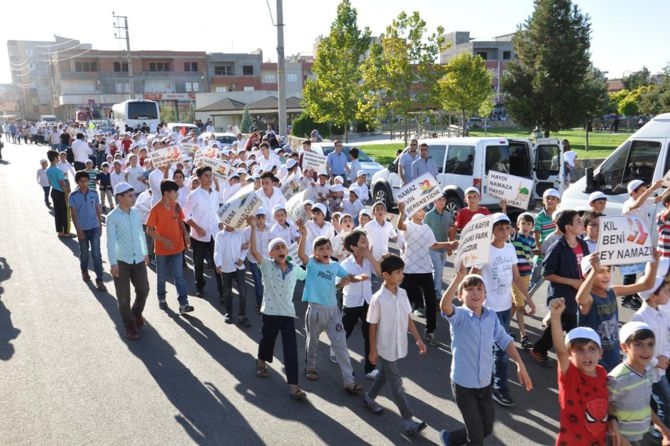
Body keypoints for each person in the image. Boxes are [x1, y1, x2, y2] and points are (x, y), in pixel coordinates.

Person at [438, 267, 533, 446]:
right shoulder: (460, 316)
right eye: (469, 289)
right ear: (460, 296)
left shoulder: (490, 316)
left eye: (479, 289)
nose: (475, 293)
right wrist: (457, 279)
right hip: (463, 385)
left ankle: (451, 438)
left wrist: (520, 364)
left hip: (484, 383)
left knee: (486, 428)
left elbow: (504, 339)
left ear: (485, 294)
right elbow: (444, 306)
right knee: (476, 438)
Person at [471, 213, 535, 407]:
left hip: (506, 307)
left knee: (499, 349)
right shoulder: (484, 251)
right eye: (500, 228)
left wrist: (529, 299)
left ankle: (495, 385)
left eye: (507, 228)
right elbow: (473, 278)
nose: (505, 231)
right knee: (493, 349)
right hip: (488, 309)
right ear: (492, 230)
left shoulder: (509, 249)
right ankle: (497, 386)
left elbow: (516, 277)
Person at [364, 253, 428, 436]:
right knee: (397, 383)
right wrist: (373, 350)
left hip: (397, 344)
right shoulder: (378, 299)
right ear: (385, 275)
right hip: (384, 346)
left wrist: (418, 338)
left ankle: (369, 398)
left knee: (385, 374)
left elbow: (408, 318)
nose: (402, 275)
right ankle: (408, 420)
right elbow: (372, 326)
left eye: (402, 271)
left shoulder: (403, 293)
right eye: (398, 272)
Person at [297, 221, 364, 394]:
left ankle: (349, 381)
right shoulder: (312, 264)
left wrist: (357, 278)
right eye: (321, 249)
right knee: (313, 341)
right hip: (316, 311)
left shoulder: (335, 266)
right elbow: (301, 256)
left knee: (340, 344)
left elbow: (345, 279)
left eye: (327, 248)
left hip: (333, 311)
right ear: (315, 253)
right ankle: (310, 367)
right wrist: (303, 235)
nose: (325, 251)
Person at [249, 224, 308, 400]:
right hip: (270, 313)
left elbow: (308, 273)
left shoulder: (294, 269)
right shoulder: (266, 265)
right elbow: (254, 251)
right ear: (271, 254)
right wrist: (253, 228)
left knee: (291, 350)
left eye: (283, 246)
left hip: (288, 314)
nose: (281, 249)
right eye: (276, 247)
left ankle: (294, 386)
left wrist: (303, 235)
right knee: (268, 341)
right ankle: (261, 361)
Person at [577, 253, 659, 371]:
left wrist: (654, 264)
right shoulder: (589, 298)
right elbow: (580, 299)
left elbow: (646, 285)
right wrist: (594, 270)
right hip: (593, 362)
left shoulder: (612, 292)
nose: (606, 275)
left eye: (609, 270)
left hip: (613, 356)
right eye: (600, 271)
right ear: (586, 274)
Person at [548, 298, 611, 445]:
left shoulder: (602, 372)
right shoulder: (570, 375)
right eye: (579, 350)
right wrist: (556, 317)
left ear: (600, 353)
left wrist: (613, 423)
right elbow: (560, 351)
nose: (587, 355)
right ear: (570, 355)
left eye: (592, 349)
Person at [531, 210, 589, 367]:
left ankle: (539, 349)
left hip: (578, 294)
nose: (582, 223)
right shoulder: (557, 247)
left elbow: (585, 267)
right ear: (568, 227)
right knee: (572, 328)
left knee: (561, 324)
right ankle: (577, 362)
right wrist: (571, 282)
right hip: (563, 296)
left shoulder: (582, 244)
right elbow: (546, 274)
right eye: (578, 221)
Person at [397, 202, 458, 346]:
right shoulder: (407, 225)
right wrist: (400, 212)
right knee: (404, 300)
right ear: (412, 213)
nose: (422, 211)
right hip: (409, 270)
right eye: (419, 209)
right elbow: (400, 226)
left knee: (431, 302)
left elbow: (434, 245)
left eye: (423, 209)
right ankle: (398, 324)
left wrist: (448, 244)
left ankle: (430, 331)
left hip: (425, 270)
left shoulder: (427, 228)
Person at [608, 321, 670, 444]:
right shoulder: (616, 378)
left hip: (640, 435)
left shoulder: (647, 371)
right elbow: (604, 410)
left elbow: (644, 405)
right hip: (620, 440)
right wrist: (621, 439)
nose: (646, 350)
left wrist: (663, 429)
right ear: (624, 347)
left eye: (650, 344)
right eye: (638, 344)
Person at [106, 182, 150, 341]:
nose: (134, 198)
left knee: (144, 289)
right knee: (123, 297)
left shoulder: (136, 213)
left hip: (138, 258)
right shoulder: (112, 217)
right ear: (120, 197)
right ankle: (130, 326)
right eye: (130, 195)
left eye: (134, 194)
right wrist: (113, 263)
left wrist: (145, 252)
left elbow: (140, 233)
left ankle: (136, 313)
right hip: (121, 262)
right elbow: (110, 241)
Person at [146, 180, 193, 314]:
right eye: (175, 191)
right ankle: (161, 298)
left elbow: (180, 221)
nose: (177, 194)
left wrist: (186, 235)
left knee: (179, 275)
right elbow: (149, 230)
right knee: (162, 276)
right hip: (161, 251)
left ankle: (184, 303)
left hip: (178, 248)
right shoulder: (155, 209)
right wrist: (163, 240)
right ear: (167, 193)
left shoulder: (176, 206)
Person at [621, 179, 670, 309]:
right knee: (630, 272)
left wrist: (668, 188)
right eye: (642, 191)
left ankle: (638, 293)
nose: (645, 193)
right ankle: (626, 298)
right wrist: (652, 188)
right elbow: (637, 204)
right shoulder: (628, 203)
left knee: (646, 268)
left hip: (642, 240)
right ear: (633, 193)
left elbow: (659, 199)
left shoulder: (643, 201)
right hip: (631, 241)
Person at [339, 230, 380, 379]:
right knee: (344, 333)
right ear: (354, 247)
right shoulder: (345, 263)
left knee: (370, 335)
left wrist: (370, 256)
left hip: (367, 302)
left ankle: (370, 369)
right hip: (351, 303)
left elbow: (381, 274)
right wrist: (354, 278)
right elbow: (341, 282)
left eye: (366, 240)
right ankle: (335, 349)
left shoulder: (369, 260)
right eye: (362, 241)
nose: (366, 243)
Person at [632, 275, 670, 428]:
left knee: (658, 400)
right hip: (648, 371)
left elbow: (667, 339)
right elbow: (636, 350)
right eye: (666, 292)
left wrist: (665, 356)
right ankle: (659, 432)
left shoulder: (662, 315)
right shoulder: (639, 319)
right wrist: (656, 361)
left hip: (660, 369)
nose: (669, 294)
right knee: (666, 400)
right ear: (654, 296)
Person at [184, 166, 223, 299]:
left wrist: (220, 223)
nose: (209, 178)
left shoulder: (216, 194)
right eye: (206, 175)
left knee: (217, 262)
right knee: (198, 263)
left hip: (214, 234)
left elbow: (217, 211)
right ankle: (199, 286)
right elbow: (185, 215)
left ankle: (222, 291)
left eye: (210, 175)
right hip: (198, 236)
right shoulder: (193, 195)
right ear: (199, 178)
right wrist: (197, 227)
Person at [69, 170, 106, 290]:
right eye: (81, 181)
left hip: (94, 227)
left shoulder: (94, 193)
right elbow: (73, 214)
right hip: (82, 229)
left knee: (96, 254)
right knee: (84, 254)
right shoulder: (73, 196)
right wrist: (78, 230)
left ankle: (99, 279)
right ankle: (84, 270)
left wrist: (100, 225)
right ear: (77, 182)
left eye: (86, 181)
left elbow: (97, 210)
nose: (84, 183)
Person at [509, 212, 537, 350]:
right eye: (523, 223)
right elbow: (507, 226)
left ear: (532, 226)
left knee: (514, 304)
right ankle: (524, 336)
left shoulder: (532, 240)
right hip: (515, 276)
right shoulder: (515, 236)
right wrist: (504, 209)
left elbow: (531, 254)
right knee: (520, 305)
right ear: (518, 224)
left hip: (526, 276)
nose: (526, 226)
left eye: (528, 223)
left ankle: (503, 327)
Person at [214, 221, 249, 327]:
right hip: (226, 267)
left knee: (242, 291)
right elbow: (217, 251)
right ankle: (229, 313)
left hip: (239, 267)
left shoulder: (240, 232)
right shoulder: (220, 235)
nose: (233, 225)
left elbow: (244, 248)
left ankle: (242, 315)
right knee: (227, 292)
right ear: (225, 222)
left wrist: (242, 259)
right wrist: (218, 263)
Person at [529, 188, 560, 296]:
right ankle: (523, 302)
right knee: (534, 279)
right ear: (543, 200)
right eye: (548, 198)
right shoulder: (539, 216)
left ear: (558, 201)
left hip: (556, 252)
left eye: (553, 199)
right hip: (543, 252)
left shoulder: (560, 215)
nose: (550, 201)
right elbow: (536, 232)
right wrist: (538, 247)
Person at [424, 192, 454, 301]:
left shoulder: (448, 215)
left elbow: (449, 231)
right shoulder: (428, 216)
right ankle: (437, 296)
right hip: (432, 248)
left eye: (443, 200)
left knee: (438, 271)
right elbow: (423, 231)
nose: (441, 202)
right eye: (439, 199)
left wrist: (449, 247)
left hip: (444, 248)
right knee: (438, 270)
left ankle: (432, 291)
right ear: (434, 201)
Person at [46, 150, 73, 237]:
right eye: (57, 157)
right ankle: (66, 232)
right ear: (54, 158)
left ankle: (60, 231)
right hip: (61, 193)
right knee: (65, 213)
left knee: (57, 213)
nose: (58, 159)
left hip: (54, 191)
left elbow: (50, 183)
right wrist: (67, 193)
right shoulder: (58, 170)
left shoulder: (48, 170)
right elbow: (62, 184)